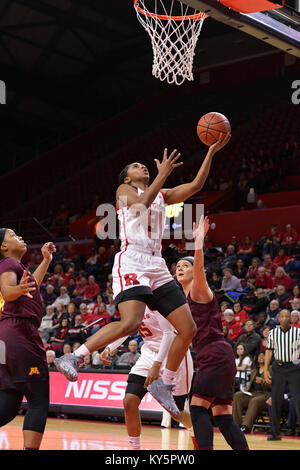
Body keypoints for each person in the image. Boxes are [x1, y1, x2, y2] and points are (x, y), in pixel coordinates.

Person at [55, 135, 231, 414]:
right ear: (127, 178)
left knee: (187, 329)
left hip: (157, 264)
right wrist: (162, 175)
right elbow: (140, 207)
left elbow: (196, 185)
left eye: (144, 165)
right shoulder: (123, 192)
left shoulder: (162, 192)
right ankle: (74, 357)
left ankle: (166, 384)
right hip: (133, 260)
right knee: (130, 322)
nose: (143, 168)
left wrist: (210, 152)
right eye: (136, 166)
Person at [176, 216, 249, 450]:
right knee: (223, 416)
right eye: (177, 265)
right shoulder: (182, 299)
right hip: (220, 356)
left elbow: (198, 268)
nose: (180, 267)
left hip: (215, 354)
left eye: (184, 265)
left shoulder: (198, 289)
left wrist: (198, 245)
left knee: (197, 409)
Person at [100, 306, 195, 450]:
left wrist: (157, 365)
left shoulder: (157, 301)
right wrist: (109, 348)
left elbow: (168, 334)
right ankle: (135, 449)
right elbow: (125, 329)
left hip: (174, 353)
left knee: (176, 412)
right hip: (149, 354)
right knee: (129, 401)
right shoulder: (134, 304)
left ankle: (196, 431)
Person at [0, 228, 56, 450]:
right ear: (3, 247)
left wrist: (46, 261)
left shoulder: (17, 267)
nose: (20, 237)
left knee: (9, 402)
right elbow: (7, 291)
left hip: (7, 336)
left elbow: (32, 286)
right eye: (13, 236)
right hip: (20, 332)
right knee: (38, 400)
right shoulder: (8, 264)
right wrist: (15, 290)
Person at [264, 309, 300, 441]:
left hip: (294, 368)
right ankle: (275, 433)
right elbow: (268, 352)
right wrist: (266, 370)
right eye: (282, 316)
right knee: (275, 401)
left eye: (287, 316)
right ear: (278, 319)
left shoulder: (297, 332)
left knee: (298, 401)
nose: (284, 318)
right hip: (278, 368)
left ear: (290, 318)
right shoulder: (273, 333)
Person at [233, 352, 271, 433]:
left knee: (255, 401)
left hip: (266, 394)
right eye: (259, 356)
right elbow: (251, 386)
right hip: (253, 393)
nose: (261, 357)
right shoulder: (254, 371)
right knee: (237, 395)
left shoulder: (270, 369)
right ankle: (235, 425)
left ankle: (245, 426)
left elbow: (273, 386)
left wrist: (263, 382)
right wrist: (246, 389)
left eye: (263, 356)